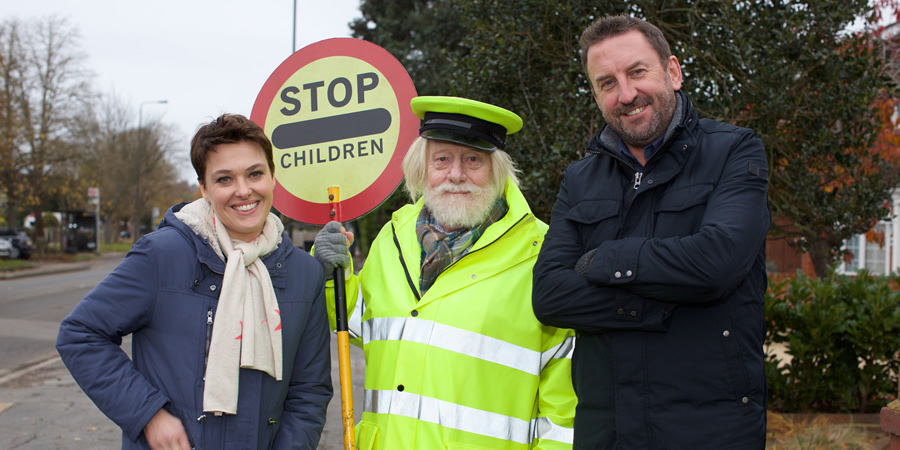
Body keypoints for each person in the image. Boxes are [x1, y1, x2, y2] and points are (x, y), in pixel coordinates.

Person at [531, 15, 770, 449]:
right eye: (607, 83)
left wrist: (604, 260)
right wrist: (662, 306)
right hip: (608, 432)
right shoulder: (581, 178)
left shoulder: (734, 151)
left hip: (712, 432)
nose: (626, 94)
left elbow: (717, 263)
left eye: (637, 72)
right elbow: (550, 296)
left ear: (673, 72)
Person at [313, 96, 576, 449]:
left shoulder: (543, 253)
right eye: (442, 159)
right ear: (422, 168)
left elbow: (563, 414)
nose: (456, 174)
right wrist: (334, 277)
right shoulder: (393, 237)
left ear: (497, 169)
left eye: (473, 159)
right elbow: (364, 325)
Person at [56, 113, 333, 449]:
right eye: (224, 179)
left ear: (273, 177)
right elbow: (81, 334)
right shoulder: (162, 255)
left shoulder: (305, 273)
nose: (243, 190)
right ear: (203, 188)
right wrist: (148, 414)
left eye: (255, 174)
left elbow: (309, 391)